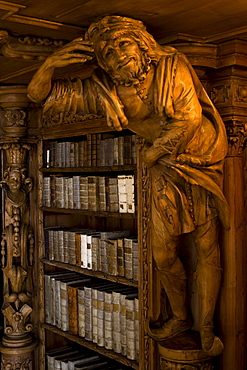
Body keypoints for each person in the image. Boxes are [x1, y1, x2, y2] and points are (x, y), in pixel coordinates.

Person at [27, 15, 229, 356]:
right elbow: (40, 96)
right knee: (163, 253)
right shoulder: (102, 88)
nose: (118, 55)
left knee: (207, 243)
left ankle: (206, 325)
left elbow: (190, 119)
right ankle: (180, 316)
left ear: (141, 44)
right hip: (165, 167)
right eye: (107, 52)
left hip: (201, 158)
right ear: (102, 62)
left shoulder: (170, 64)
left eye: (123, 44)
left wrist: (151, 154)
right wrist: (50, 64)